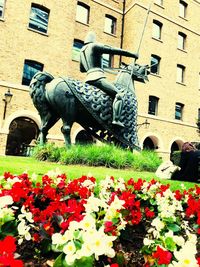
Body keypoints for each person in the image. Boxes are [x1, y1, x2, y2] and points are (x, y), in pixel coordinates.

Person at [80, 31, 139, 127]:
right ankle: (116, 120)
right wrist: (132, 54)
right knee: (119, 95)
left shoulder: (81, 51)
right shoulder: (94, 46)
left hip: (87, 79)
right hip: (97, 77)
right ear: (93, 39)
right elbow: (113, 50)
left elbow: (82, 69)